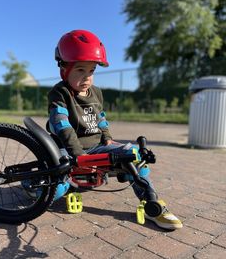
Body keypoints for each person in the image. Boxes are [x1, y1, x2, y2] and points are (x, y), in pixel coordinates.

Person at [47, 29, 182, 230]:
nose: (87, 77)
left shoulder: (96, 93)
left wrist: (108, 139)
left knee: (135, 159)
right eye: (80, 70)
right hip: (68, 151)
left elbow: (101, 119)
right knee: (57, 190)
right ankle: (35, 187)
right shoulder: (60, 93)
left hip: (96, 149)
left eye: (91, 71)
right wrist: (78, 155)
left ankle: (152, 206)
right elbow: (62, 125)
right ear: (64, 70)